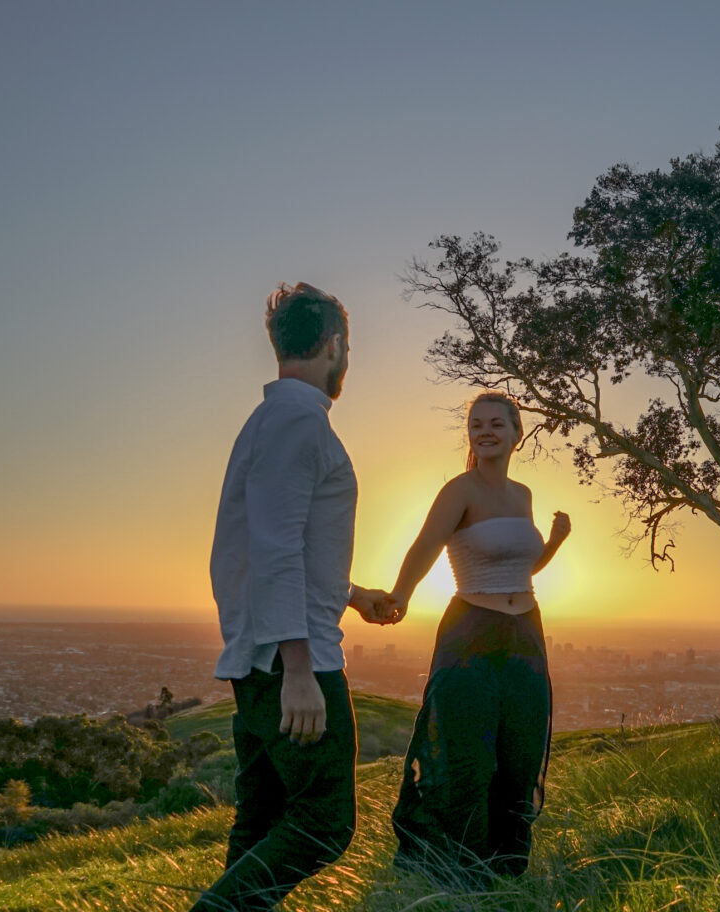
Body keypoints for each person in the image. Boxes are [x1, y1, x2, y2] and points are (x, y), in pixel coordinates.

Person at [193, 282, 389, 912]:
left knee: (259, 824)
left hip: (261, 656)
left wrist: (352, 595)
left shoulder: (269, 423)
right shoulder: (301, 423)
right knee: (324, 826)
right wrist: (300, 670)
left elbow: (281, 546)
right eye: (348, 347)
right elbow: (277, 548)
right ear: (334, 346)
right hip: (290, 662)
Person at [378, 391, 571, 888]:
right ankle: (456, 874)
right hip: (471, 631)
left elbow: (520, 568)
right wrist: (400, 594)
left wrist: (553, 544)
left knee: (520, 753)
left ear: (516, 432)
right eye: (476, 424)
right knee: (465, 758)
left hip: (526, 631)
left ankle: (505, 873)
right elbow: (425, 545)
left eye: (496, 424)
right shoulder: (459, 490)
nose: (485, 431)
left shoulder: (523, 495)